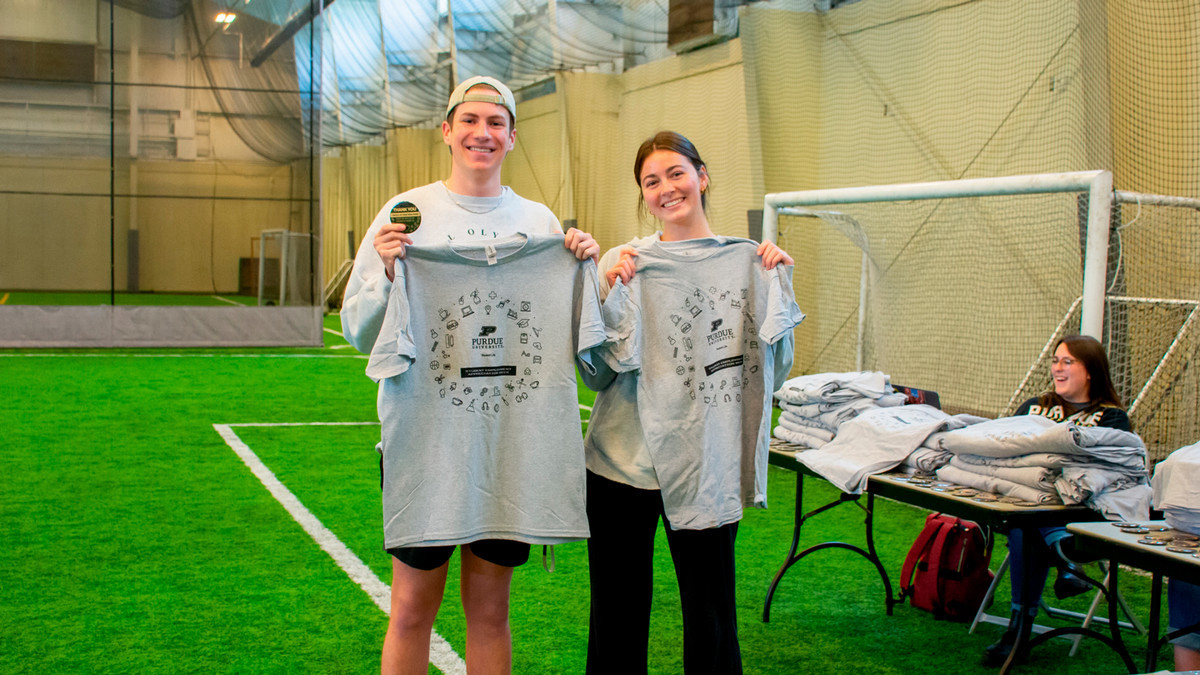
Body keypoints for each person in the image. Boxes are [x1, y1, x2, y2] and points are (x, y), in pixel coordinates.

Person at [340, 75, 601, 675]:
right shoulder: (404, 214)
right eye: (470, 121)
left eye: (495, 123)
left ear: (512, 137)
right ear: (447, 130)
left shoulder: (540, 224)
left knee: (489, 613)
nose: (482, 134)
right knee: (409, 611)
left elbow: (575, 333)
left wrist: (583, 264)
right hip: (425, 445)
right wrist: (384, 272)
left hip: (509, 446)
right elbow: (358, 331)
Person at [581, 131, 804, 673]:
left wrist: (779, 283)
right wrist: (611, 299)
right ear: (643, 195)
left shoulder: (752, 262)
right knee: (616, 617)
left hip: (707, 463)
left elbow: (778, 365)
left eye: (676, 173)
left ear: (702, 177)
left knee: (712, 619)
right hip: (618, 469)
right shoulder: (625, 259)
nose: (666, 188)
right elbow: (595, 376)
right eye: (651, 181)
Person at [983, 334, 1131, 667]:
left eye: (1068, 361)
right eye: (1055, 361)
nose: (1057, 368)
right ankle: (1063, 558)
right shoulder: (1036, 406)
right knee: (1028, 519)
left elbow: (1104, 475)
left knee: (1029, 526)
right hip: (1028, 504)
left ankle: (1017, 632)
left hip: (1085, 517)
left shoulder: (1112, 418)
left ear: (1090, 370)